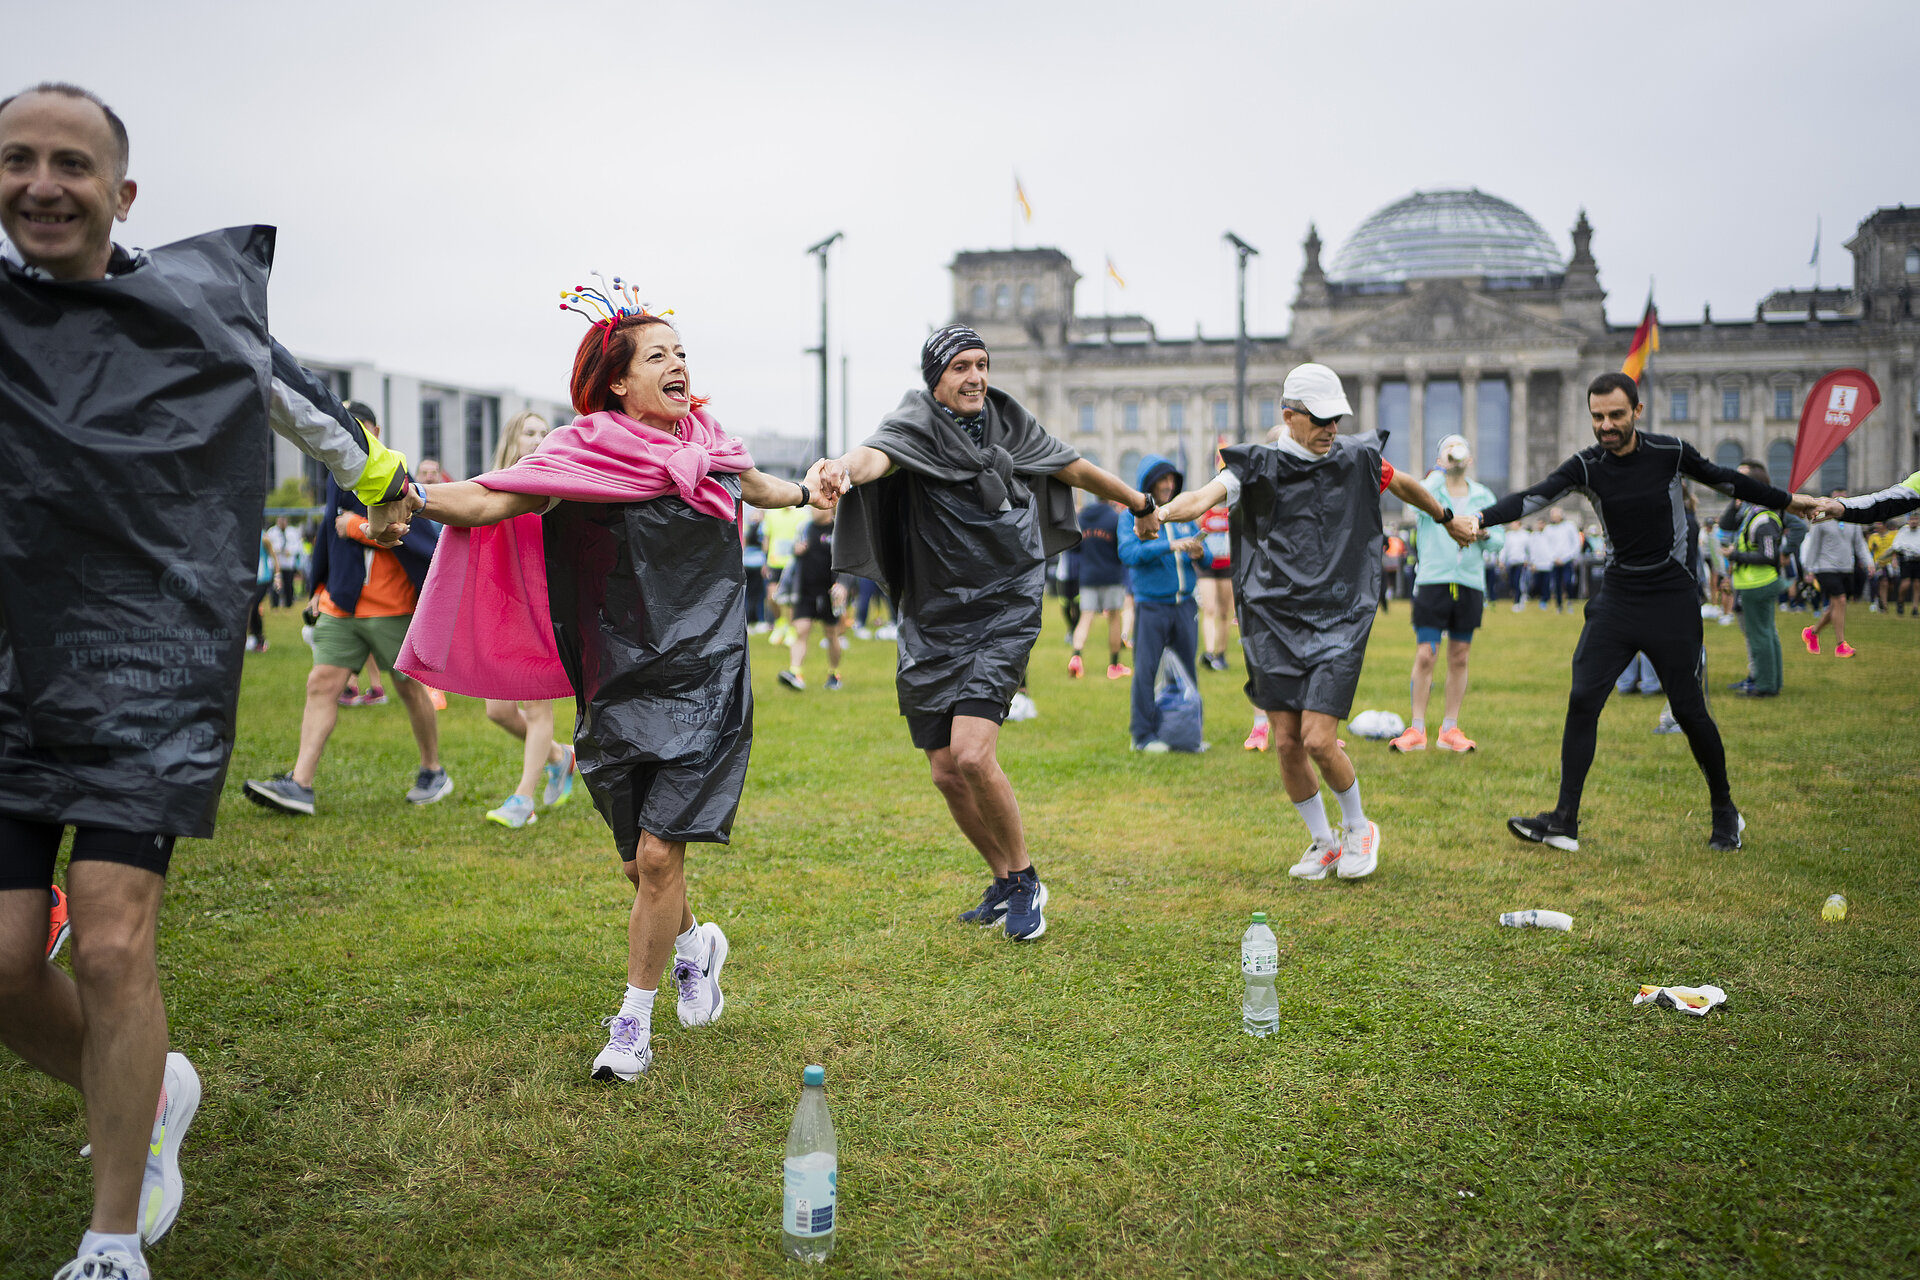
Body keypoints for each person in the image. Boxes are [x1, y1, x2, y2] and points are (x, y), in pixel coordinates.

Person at [0, 81, 419, 1280]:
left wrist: (394, 485)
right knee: (5, 961)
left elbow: (329, 426)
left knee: (115, 945)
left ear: (121, 193)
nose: (42, 183)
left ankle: (112, 1232)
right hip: (11, 664)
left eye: (71, 163)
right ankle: (154, 1085)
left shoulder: (192, 311)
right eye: (18, 158)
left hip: (145, 658)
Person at [400, 302, 834, 1082]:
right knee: (641, 866)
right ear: (618, 380)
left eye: (682, 352)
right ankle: (695, 943)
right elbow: (498, 497)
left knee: (663, 856)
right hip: (617, 681)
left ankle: (632, 1025)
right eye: (657, 356)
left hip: (707, 676)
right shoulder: (583, 452)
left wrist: (807, 495)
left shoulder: (711, 445)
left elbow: (761, 484)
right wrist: (417, 496)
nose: (678, 367)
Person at [823, 324, 1153, 941]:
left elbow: (1072, 467)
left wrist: (1138, 503)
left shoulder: (1008, 420)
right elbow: (877, 457)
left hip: (1006, 601)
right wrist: (841, 468)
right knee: (946, 770)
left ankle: (1026, 878)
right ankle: (1002, 879)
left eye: (982, 364)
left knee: (974, 753)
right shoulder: (913, 424)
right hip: (934, 611)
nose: (975, 377)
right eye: (960, 367)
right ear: (935, 378)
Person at [1154, 364, 1479, 882]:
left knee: (1319, 739)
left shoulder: (1356, 456)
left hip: (1339, 614)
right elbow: (1199, 499)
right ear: (1290, 416)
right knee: (1285, 741)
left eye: (1337, 418)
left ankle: (1359, 828)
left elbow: (1409, 487)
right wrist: (1159, 511)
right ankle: (1323, 842)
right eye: (1322, 419)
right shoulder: (1254, 466)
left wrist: (1446, 519)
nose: (1332, 428)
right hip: (1271, 618)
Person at [1471, 372, 1820, 853]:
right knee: (1582, 699)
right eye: (1597, 417)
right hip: (1617, 597)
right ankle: (1564, 820)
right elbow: (1533, 496)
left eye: (1615, 415)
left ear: (1637, 411)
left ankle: (1725, 811)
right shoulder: (1586, 466)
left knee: (1688, 708)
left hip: (1671, 597)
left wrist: (1789, 501)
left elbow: (1726, 478)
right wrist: (1480, 519)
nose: (1606, 425)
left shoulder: (1670, 452)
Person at [245, 404, 449, 815]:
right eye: (349, 430)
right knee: (321, 683)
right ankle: (300, 784)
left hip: (393, 610)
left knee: (410, 689)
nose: (356, 438)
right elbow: (327, 532)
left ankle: (433, 771)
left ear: (377, 430)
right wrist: (317, 587)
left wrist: (354, 526)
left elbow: (410, 533)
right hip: (342, 608)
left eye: (363, 430)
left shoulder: (395, 475)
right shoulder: (336, 478)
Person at [477, 412, 577, 830]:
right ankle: (560, 756)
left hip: (547, 611)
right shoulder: (493, 487)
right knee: (497, 710)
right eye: (529, 432)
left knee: (537, 710)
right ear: (512, 439)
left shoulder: (559, 486)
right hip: (507, 613)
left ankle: (523, 800)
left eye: (544, 433)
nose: (538, 439)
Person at [1388, 434, 1504, 753]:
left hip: (1468, 583)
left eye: (1459, 451)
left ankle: (1449, 728)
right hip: (1433, 581)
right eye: (1448, 453)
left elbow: (1499, 539)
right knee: (1427, 653)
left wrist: (1481, 533)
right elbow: (1415, 500)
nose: (1455, 458)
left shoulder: (1482, 495)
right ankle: (1417, 728)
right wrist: (1438, 471)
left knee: (1460, 655)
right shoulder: (1433, 490)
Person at [1117, 454, 1202, 751]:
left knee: (1187, 669)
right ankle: (1143, 736)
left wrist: (1200, 552)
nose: (1168, 485)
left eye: (1172, 480)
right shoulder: (1131, 516)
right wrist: (1170, 545)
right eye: (1162, 479)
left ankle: (1187, 732)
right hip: (1151, 604)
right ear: (1148, 483)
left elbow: (1204, 556)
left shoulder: (1182, 514)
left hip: (1185, 605)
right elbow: (1128, 554)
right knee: (1146, 670)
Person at [1715, 459, 1790, 696]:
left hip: (1757, 583)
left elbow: (1768, 556)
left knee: (1760, 637)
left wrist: (1734, 555)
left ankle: (1765, 685)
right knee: (1766, 634)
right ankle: (1770, 682)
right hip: (1756, 582)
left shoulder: (1762, 517)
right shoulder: (1753, 512)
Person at [778, 505, 848, 692]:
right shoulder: (805, 528)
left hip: (829, 592)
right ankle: (795, 673)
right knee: (801, 629)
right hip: (805, 590)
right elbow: (792, 552)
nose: (813, 510)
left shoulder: (839, 531)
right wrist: (796, 549)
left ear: (829, 508)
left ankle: (834, 674)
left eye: (817, 507)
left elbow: (848, 562)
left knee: (831, 634)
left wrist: (843, 585)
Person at [1799, 489, 1872, 658]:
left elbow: (1860, 544)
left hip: (1846, 568)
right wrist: (1809, 569)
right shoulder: (1821, 519)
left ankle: (1812, 632)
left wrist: (1869, 562)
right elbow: (1813, 545)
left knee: (1835, 607)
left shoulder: (1853, 520)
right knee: (1840, 600)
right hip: (1825, 568)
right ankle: (1841, 645)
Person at [1069, 496, 1129, 679]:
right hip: (1111, 575)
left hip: (1088, 575)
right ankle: (1114, 664)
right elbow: (1122, 548)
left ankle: (1076, 657)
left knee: (1085, 617)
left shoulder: (1083, 517)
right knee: (1114, 618)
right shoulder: (1115, 518)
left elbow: (1074, 547)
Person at [1196, 491, 1237, 670]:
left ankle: (1221, 653)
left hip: (1227, 567)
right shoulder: (1204, 513)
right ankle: (1209, 652)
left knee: (1224, 612)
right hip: (1208, 567)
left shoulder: (1232, 513)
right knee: (1209, 608)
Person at [1893, 513, 1920, 615]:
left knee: (1917, 584)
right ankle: (1900, 601)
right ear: (1909, 520)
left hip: (1918, 561)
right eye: (1912, 519)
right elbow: (1896, 545)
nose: (1914, 521)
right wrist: (1895, 559)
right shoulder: (1903, 531)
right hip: (1906, 560)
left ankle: (1915, 608)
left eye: (1916, 519)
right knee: (1906, 583)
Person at [1502, 519, 1532, 610]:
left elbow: (1529, 550)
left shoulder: (1525, 535)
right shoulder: (1509, 535)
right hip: (1511, 562)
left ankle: (1518, 601)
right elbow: (1505, 550)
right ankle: (1517, 598)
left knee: (1518, 582)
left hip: (1521, 562)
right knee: (1512, 582)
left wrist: (1528, 559)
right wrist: (1502, 561)